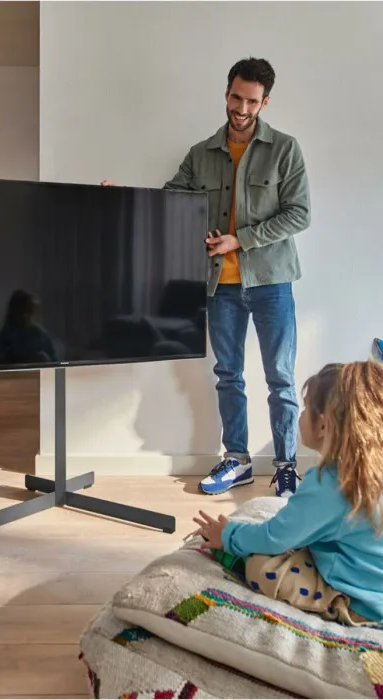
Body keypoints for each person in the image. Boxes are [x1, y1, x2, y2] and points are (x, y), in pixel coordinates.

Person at [104, 57, 311, 497]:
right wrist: (124, 199)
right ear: (226, 92)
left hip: (271, 282)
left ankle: (286, 466)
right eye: (236, 97)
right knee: (228, 374)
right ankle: (237, 459)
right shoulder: (201, 154)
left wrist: (241, 239)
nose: (242, 108)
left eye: (252, 101)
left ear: (265, 102)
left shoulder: (285, 149)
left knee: (280, 376)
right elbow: (170, 201)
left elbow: (299, 214)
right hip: (220, 287)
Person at [193, 360, 383, 626]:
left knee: (262, 566)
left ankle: (338, 605)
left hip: (365, 602)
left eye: (305, 408)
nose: (300, 416)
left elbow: (274, 538)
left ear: (323, 425)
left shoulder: (328, 485)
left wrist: (228, 535)